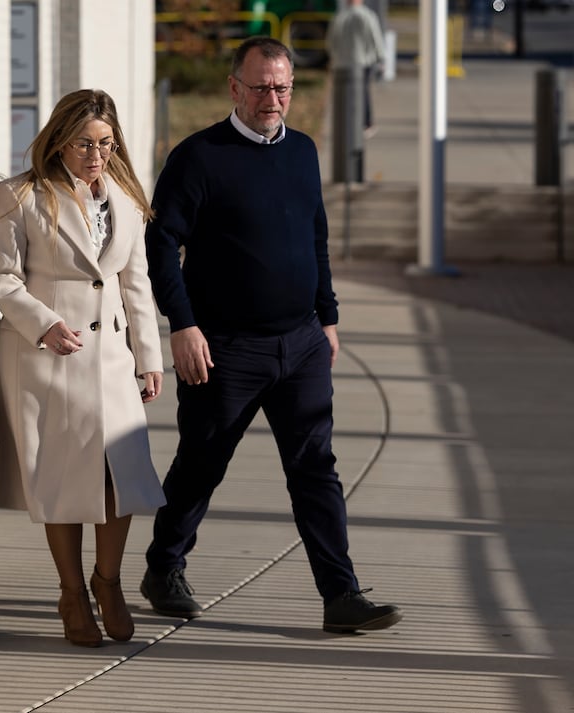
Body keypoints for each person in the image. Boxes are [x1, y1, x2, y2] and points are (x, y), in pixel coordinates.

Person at [140, 36, 403, 634]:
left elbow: (315, 236)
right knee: (202, 462)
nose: (272, 97)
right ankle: (163, 566)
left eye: (282, 87)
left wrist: (327, 318)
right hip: (225, 348)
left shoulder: (304, 151)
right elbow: (160, 244)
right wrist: (181, 324)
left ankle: (341, 594)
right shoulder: (198, 157)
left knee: (316, 468)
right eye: (260, 86)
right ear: (235, 87)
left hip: (302, 343)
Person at [0, 89, 164, 647]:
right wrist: (41, 322)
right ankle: (71, 591)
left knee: (122, 479)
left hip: (110, 358)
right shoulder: (21, 195)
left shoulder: (128, 199)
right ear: (59, 138)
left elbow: (136, 282)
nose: (96, 154)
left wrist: (149, 357)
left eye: (106, 143)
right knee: (62, 481)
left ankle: (107, 581)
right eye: (85, 142)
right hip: (49, 360)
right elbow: (0, 277)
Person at [326, 0, 386, 135]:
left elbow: (331, 40)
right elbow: (375, 37)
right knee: (363, 93)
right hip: (363, 62)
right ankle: (366, 123)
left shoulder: (339, 17)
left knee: (344, 93)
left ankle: (346, 122)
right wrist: (381, 58)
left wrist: (333, 57)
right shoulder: (368, 16)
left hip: (342, 63)